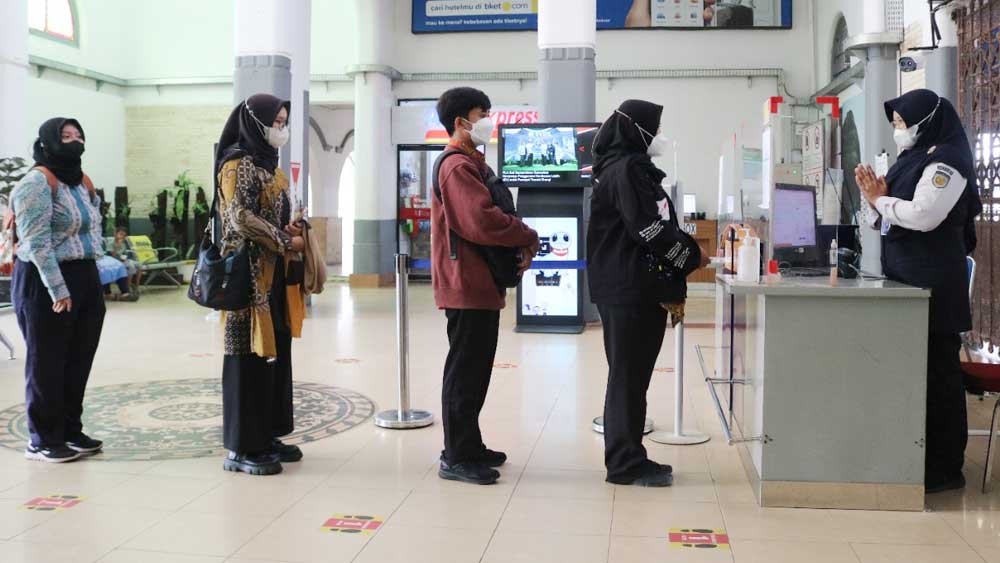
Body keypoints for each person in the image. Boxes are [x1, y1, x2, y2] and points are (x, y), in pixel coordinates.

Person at [855, 89, 983, 494]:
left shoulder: (947, 161)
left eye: (902, 123)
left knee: (940, 377)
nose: (898, 130)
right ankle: (917, 459)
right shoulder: (911, 159)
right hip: (910, 283)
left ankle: (945, 468)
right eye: (895, 124)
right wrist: (874, 202)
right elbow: (885, 216)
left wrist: (881, 201)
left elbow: (925, 215)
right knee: (918, 375)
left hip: (935, 287)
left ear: (926, 122)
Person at [587, 100, 707, 487]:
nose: (659, 136)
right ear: (636, 131)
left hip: (626, 286)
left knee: (631, 376)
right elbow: (648, 229)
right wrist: (692, 256)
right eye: (654, 130)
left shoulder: (621, 168)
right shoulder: (627, 170)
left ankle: (629, 456)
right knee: (628, 377)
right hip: (630, 289)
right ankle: (624, 463)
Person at [432, 87, 539, 485]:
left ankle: (470, 444)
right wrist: (526, 234)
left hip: (480, 283)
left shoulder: (473, 162)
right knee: (465, 370)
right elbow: (480, 220)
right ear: (460, 122)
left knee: (476, 370)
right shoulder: (456, 166)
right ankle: (456, 456)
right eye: (482, 114)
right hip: (465, 282)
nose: (488, 121)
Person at [215, 93, 306, 476]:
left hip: (275, 277)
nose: (281, 129)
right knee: (246, 356)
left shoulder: (272, 168)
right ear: (255, 122)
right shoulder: (237, 165)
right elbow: (238, 217)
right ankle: (242, 447)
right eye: (276, 122)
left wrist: (292, 226)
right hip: (246, 279)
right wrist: (284, 239)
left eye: (284, 122)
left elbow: (274, 212)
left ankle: (266, 435)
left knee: (274, 354)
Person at [11, 118, 106, 463]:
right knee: (47, 362)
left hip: (85, 275)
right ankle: (42, 439)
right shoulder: (36, 183)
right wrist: (58, 289)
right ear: (48, 142)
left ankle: (69, 430)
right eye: (66, 136)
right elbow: (36, 243)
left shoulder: (82, 182)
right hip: (44, 280)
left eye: (79, 135)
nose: (74, 141)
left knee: (79, 358)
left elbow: (92, 231)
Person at [109, 227, 142, 292]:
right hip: (115, 261)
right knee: (131, 266)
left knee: (139, 265)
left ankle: (136, 286)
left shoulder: (123, 243)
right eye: (120, 234)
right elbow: (112, 256)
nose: (122, 237)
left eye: (124, 235)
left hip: (123, 260)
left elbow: (124, 253)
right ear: (115, 234)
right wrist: (117, 245)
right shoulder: (111, 243)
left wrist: (125, 256)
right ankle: (128, 288)